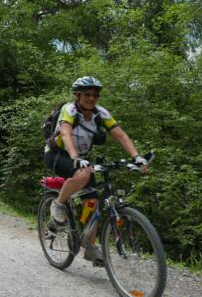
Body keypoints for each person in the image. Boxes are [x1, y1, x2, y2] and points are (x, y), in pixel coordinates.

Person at [44, 76, 148, 265]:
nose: (91, 98)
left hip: (80, 158)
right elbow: (66, 133)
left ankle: (90, 246)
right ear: (77, 95)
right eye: (87, 95)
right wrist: (75, 158)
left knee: (92, 201)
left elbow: (121, 135)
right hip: (58, 154)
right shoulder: (70, 110)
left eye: (95, 95)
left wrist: (137, 157)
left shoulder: (101, 113)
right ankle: (58, 204)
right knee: (84, 173)